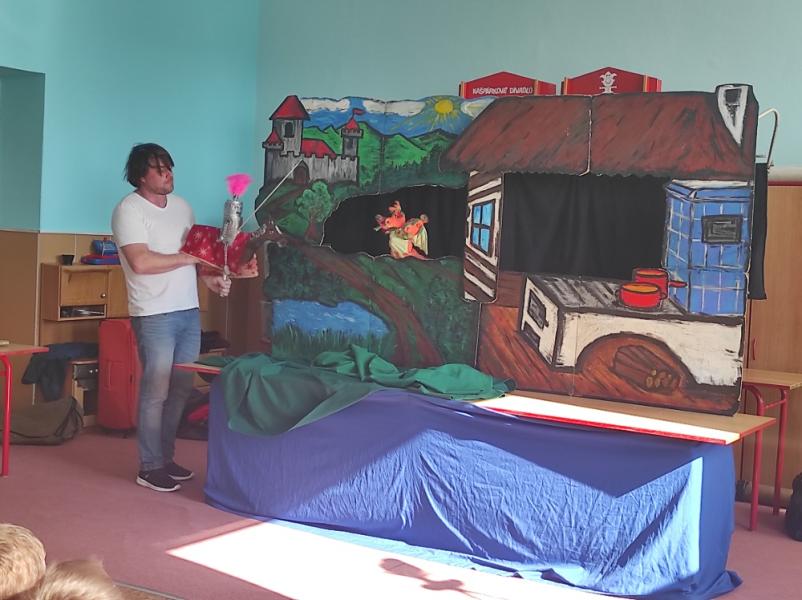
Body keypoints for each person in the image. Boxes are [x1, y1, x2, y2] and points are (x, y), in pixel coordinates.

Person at [111, 143, 230, 493]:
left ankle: (165, 458)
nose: (168, 174)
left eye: (169, 167)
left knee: (180, 388)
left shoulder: (182, 207)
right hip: (153, 313)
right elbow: (141, 262)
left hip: (188, 311)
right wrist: (189, 259)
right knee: (156, 391)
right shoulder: (129, 210)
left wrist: (212, 279)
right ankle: (149, 467)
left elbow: (196, 261)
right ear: (140, 175)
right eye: (159, 169)